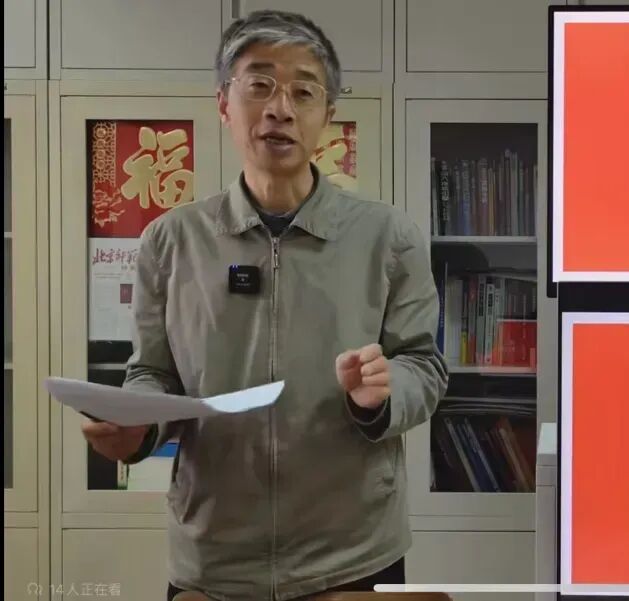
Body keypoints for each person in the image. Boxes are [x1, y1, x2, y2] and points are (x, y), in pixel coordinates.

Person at [80, 10, 449, 600]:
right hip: (214, 556)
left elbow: (423, 365)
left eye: (303, 91)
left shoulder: (388, 237)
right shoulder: (171, 240)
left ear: (328, 115)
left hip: (352, 553)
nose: (280, 108)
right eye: (259, 85)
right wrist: (137, 428)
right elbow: (153, 372)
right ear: (224, 103)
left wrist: (383, 392)